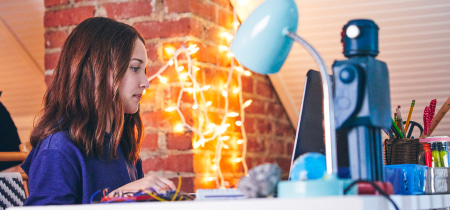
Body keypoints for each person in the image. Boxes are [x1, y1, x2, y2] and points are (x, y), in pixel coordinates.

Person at [21, 17, 175, 205]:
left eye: (144, 70)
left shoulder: (122, 146)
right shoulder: (57, 150)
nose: (146, 82)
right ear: (96, 70)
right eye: (135, 68)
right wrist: (117, 197)